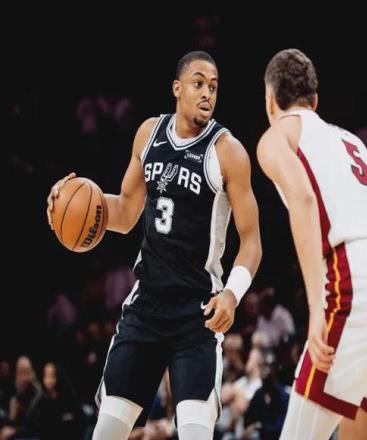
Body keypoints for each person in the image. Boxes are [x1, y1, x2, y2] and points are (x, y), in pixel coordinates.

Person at [47, 50, 262, 440]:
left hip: (197, 313)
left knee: (195, 433)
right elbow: (124, 212)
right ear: (177, 88)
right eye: (198, 84)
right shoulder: (149, 134)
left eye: (214, 87)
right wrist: (69, 203)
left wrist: (232, 295)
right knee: (106, 432)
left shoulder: (228, 152)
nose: (207, 94)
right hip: (146, 307)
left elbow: (252, 242)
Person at [256, 48, 367, 439]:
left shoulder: (276, 136)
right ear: (315, 101)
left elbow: (304, 201)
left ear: (270, 101)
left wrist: (317, 309)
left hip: (355, 282)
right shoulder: (351, 141)